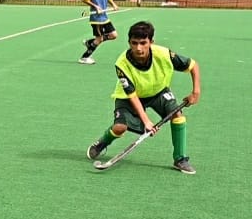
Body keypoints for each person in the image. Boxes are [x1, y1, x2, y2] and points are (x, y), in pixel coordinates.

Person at [86, 20, 201, 174]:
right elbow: (132, 96)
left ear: (151, 42)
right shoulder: (122, 64)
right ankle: (103, 142)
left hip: (158, 92)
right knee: (120, 128)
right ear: (129, 42)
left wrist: (196, 92)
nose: (138, 48)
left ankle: (180, 159)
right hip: (129, 97)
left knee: (178, 116)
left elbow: (193, 65)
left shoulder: (164, 54)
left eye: (143, 43)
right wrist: (146, 120)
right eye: (134, 43)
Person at [78, 0, 119, 64]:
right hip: (96, 18)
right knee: (99, 39)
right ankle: (84, 57)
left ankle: (90, 43)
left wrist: (113, 4)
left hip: (104, 17)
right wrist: (96, 7)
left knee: (114, 35)